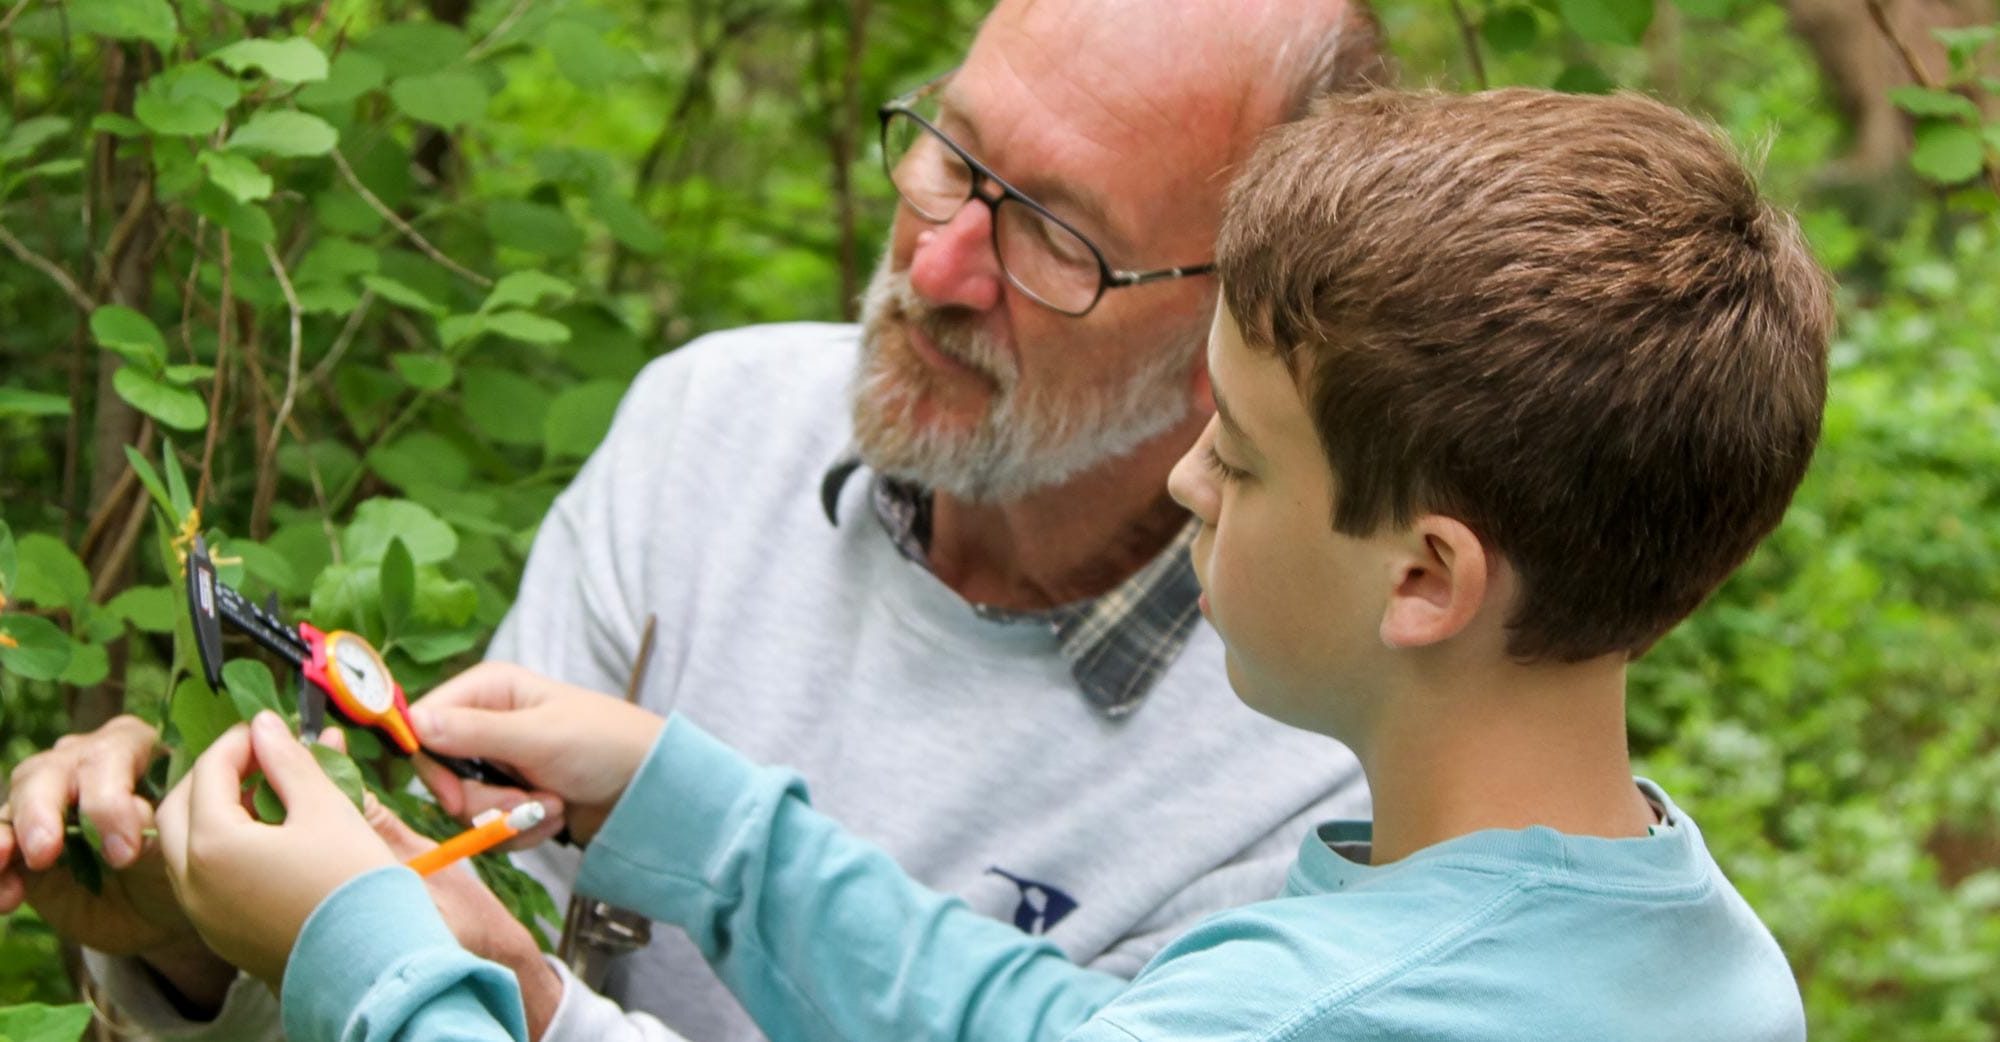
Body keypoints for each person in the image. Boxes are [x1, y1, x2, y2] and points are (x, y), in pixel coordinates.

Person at [157, 87, 1832, 1041]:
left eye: (1238, 457)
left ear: (1424, 580)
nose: (1186, 476)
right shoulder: (1676, 955)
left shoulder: (1325, 1012)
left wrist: (373, 960)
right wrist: (703, 824)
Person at [0, 2, 1390, 1039]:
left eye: (1054, 237)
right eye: (951, 155)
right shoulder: (708, 435)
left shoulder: (1318, 769)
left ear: (1244, 317)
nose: (940, 262)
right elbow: (423, 944)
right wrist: (195, 955)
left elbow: (448, 984)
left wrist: (507, 991)